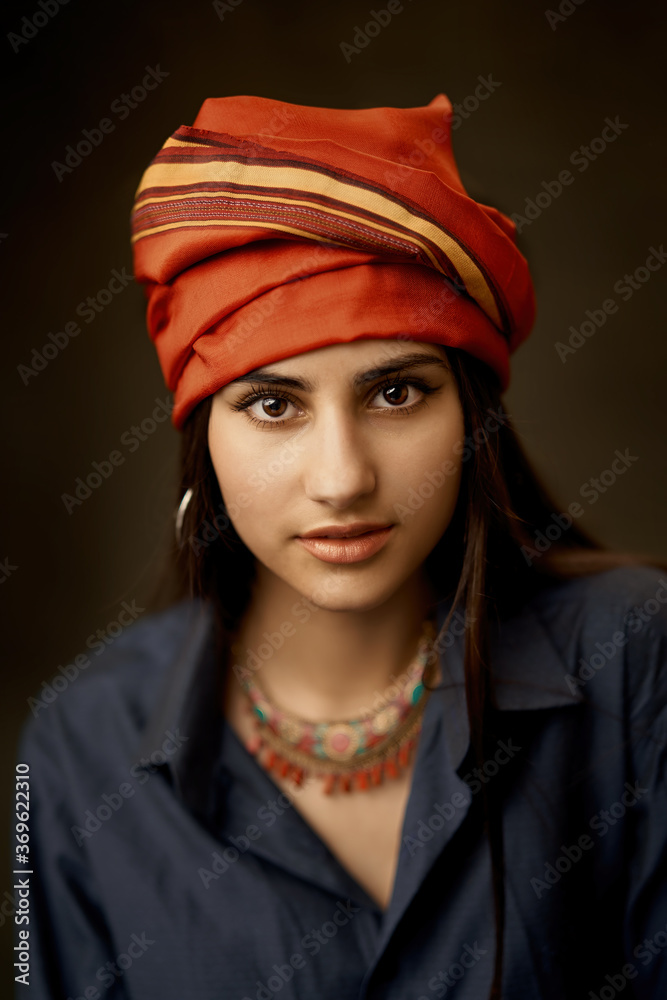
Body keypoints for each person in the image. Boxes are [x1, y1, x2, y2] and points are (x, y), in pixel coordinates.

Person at [15, 93, 667, 1000]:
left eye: (395, 393)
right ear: (202, 435)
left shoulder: (635, 659)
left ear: (472, 418)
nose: (341, 478)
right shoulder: (75, 751)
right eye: (273, 404)